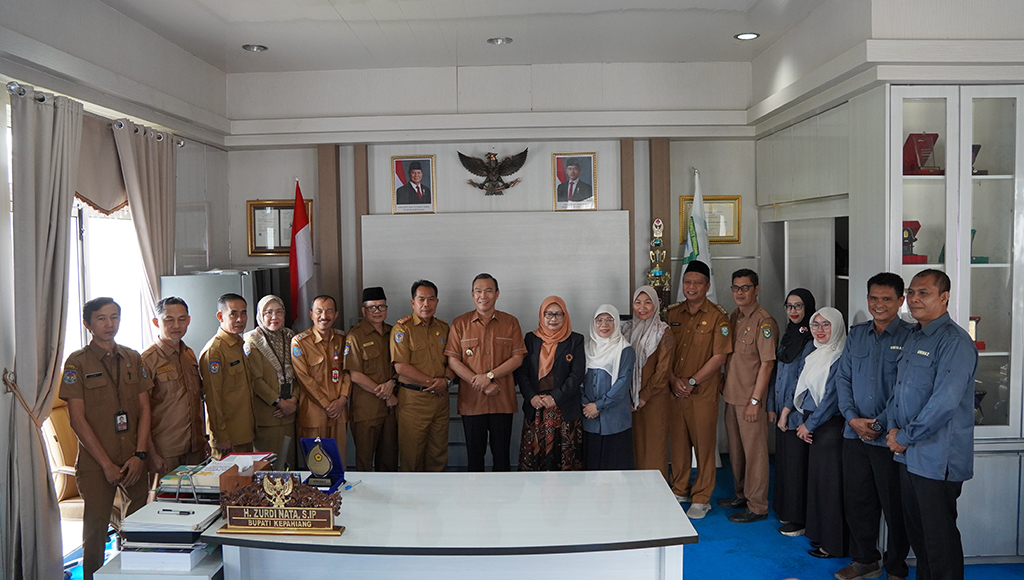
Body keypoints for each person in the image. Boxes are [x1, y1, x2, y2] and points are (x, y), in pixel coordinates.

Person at [886, 269, 977, 580]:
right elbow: (900, 391)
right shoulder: (915, 336)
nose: (914, 299)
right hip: (909, 456)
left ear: (944, 297)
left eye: (923, 292)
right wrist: (889, 428)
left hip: (937, 460)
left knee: (940, 543)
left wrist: (904, 437)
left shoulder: (954, 342)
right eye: (911, 292)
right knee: (921, 538)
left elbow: (944, 404)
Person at [60, 297, 155, 580]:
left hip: (133, 458)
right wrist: (106, 465)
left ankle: (136, 575)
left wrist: (140, 455)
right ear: (87, 324)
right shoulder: (77, 362)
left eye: (114, 317)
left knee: (138, 526)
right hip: (96, 463)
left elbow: (145, 409)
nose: (109, 324)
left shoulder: (132, 357)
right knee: (95, 531)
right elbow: (76, 419)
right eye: (101, 318)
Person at [834, 273, 912, 580]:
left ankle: (896, 568)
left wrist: (879, 423)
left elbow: (905, 389)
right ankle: (865, 560)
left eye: (887, 299)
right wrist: (851, 418)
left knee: (895, 507)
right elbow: (843, 378)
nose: (879, 305)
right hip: (854, 434)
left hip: (889, 438)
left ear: (900, 301)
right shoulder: (857, 334)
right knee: (857, 501)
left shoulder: (911, 336)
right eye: (874, 298)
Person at [664, 260, 732, 519]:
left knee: (704, 447)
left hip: (701, 394)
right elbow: (664, 353)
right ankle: (680, 488)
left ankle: (702, 497)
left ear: (707, 286)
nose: (691, 287)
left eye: (697, 283)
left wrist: (691, 381)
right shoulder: (672, 314)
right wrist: (673, 380)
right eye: (687, 282)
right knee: (678, 445)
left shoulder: (717, 317)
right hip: (675, 391)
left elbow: (719, 357)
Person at [446, 273, 527, 472]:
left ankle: (502, 492)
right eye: (478, 291)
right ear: (472, 294)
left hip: (502, 401)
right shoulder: (460, 324)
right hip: (472, 402)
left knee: (502, 457)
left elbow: (518, 358)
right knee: (474, 458)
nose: (483, 296)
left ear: (497, 294)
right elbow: (453, 361)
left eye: (489, 291)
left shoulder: (510, 322)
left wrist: (489, 377)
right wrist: (480, 383)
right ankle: (476, 493)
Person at [720, 269, 778, 523]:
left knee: (755, 455)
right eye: (736, 288)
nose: (740, 293)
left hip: (750, 400)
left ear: (756, 289)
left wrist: (755, 401)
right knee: (736, 452)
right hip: (732, 396)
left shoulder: (764, 322)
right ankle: (741, 494)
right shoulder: (735, 316)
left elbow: (767, 364)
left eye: (745, 288)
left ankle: (757, 506)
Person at [794, 307, 849, 559]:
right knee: (817, 484)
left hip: (829, 428)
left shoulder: (839, 356)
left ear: (837, 327)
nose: (820, 329)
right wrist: (805, 423)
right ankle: (822, 535)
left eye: (826, 324)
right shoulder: (816, 353)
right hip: (814, 425)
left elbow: (831, 399)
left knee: (830, 488)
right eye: (815, 324)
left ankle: (833, 544)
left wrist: (810, 425)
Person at [514, 296, 586, 471]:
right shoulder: (530, 339)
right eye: (549, 314)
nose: (553, 318)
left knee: (564, 464)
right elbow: (522, 372)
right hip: (536, 408)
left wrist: (555, 397)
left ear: (565, 315)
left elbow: (577, 376)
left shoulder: (575, 340)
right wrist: (531, 396)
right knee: (535, 464)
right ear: (542, 315)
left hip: (563, 409)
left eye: (558, 314)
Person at [767, 288, 816, 537]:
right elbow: (776, 372)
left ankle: (798, 519)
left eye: (798, 306)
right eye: (789, 306)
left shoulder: (810, 341)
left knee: (797, 467)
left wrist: (786, 410)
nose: (793, 311)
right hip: (781, 411)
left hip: (797, 415)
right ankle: (785, 510)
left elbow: (801, 381)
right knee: (784, 463)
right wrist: (771, 407)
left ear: (808, 308)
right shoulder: (788, 336)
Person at [392, 280, 455, 472]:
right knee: (412, 458)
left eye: (431, 299)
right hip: (414, 402)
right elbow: (401, 367)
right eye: (421, 299)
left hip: (440, 401)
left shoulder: (443, 327)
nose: (426, 304)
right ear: (413, 302)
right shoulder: (402, 329)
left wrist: (446, 381)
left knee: (438, 456)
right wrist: (433, 384)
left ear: (437, 302)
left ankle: (437, 491)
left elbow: (453, 360)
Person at [141, 296, 206, 481]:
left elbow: (197, 399)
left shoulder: (189, 354)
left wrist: (203, 439)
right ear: (156, 322)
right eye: (169, 320)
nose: (176, 325)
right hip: (165, 450)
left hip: (195, 447)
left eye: (182, 319)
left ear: (189, 320)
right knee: (165, 498)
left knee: (196, 497)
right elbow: (140, 411)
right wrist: (151, 453)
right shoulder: (147, 360)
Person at [344, 286, 399, 472]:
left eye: (381, 306)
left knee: (389, 461)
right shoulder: (355, 335)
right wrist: (386, 394)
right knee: (365, 462)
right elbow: (356, 375)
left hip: (390, 410)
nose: (377, 311)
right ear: (364, 310)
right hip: (366, 411)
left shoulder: (394, 332)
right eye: (372, 307)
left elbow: (401, 366)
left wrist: (392, 383)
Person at [622, 287, 674, 481]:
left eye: (647, 302)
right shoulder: (626, 330)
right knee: (634, 444)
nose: (642, 307)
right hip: (629, 399)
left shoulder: (663, 332)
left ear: (656, 305)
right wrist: (627, 396)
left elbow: (663, 371)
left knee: (654, 446)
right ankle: (636, 490)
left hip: (654, 399)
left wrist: (643, 396)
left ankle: (656, 490)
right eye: (638, 302)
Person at [291, 295, 349, 458]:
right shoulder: (300, 342)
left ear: (336, 315)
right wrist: (327, 404)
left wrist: (342, 400)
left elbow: (348, 372)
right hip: (313, 414)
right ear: (311, 314)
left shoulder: (343, 339)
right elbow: (304, 379)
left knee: (339, 461)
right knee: (316, 463)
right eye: (319, 311)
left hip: (339, 412)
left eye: (329, 311)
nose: (324, 316)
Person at [244, 294, 298, 468]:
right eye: (268, 312)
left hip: (290, 414)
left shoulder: (291, 337)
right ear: (260, 315)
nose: (274, 316)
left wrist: (293, 401)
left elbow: (300, 373)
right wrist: (279, 402)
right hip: (267, 415)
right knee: (268, 469)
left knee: (289, 466)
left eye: (279, 311)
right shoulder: (251, 340)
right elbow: (255, 380)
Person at [199, 293, 256, 458]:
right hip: (228, 438)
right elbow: (212, 398)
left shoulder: (239, 344)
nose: (240, 319)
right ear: (220, 316)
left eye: (243, 313)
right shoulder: (215, 351)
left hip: (244, 432)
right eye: (233, 314)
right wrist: (221, 436)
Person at [582, 304, 636, 470]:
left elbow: (622, 383)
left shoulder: (625, 350)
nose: (604, 324)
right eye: (599, 320)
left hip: (615, 420)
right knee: (591, 469)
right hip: (590, 419)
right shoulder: (586, 348)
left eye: (609, 320)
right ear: (594, 323)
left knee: (616, 471)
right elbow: (578, 380)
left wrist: (598, 406)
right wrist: (586, 405)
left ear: (616, 322)